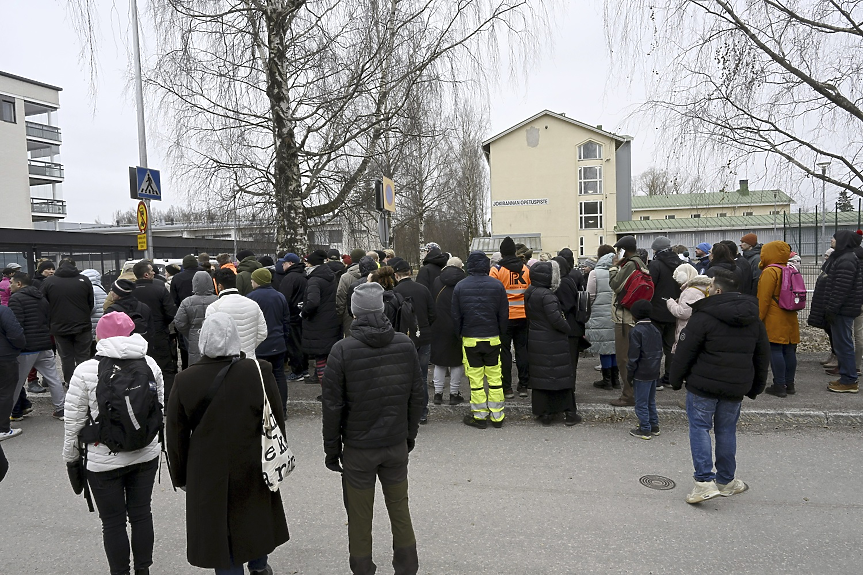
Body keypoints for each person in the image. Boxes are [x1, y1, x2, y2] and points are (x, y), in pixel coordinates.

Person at [166, 313, 288, 575]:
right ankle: (259, 566)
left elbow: (176, 434)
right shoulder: (259, 370)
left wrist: (180, 474)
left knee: (221, 532)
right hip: (254, 457)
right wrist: (277, 454)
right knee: (253, 514)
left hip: (206, 465)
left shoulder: (185, 379)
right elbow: (275, 416)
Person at [321, 281, 424, 575]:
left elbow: (332, 407)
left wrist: (332, 449)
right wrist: (409, 434)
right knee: (400, 509)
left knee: (359, 514)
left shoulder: (341, 350)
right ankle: (407, 567)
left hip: (358, 448)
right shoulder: (404, 345)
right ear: (381, 310)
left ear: (354, 312)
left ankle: (363, 568)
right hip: (394, 443)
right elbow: (417, 396)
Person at [63, 312, 165, 575]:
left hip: (102, 458)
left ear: (100, 336)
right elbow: (159, 408)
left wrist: (71, 459)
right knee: (142, 514)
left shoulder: (85, 370)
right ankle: (144, 569)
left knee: (113, 523)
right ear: (131, 333)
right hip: (145, 453)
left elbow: (73, 423)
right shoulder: (150, 364)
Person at [670, 269, 769, 504]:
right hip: (735, 386)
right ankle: (726, 480)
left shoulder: (703, 316)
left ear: (719, 290)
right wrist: (756, 387)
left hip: (703, 384)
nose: (708, 288)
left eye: (711, 285)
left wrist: (675, 379)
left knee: (700, 428)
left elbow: (685, 351)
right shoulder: (753, 318)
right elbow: (762, 356)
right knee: (726, 430)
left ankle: (704, 482)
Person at [452, 251, 509, 429]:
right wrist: (500, 333)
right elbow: (504, 315)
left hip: (470, 338)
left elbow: (456, 316)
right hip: (492, 337)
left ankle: (480, 416)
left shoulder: (460, 286)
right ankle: (497, 415)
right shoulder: (497, 285)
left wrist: (460, 334)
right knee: (494, 377)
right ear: (486, 266)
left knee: (475, 379)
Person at [808, 230, 863, 393]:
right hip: (842, 309)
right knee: (842, 343)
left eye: (834, 238)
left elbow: (841, 289)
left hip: (842, 310)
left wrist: (831, 309)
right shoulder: (844, 257)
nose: (832, 240)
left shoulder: (846, 260)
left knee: (844, 344)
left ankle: (849, 380)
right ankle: (847, 377)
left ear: (843, 241)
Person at [7, 273, 66, 421]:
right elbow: (47, 319)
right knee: (53, 379)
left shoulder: (16, 299)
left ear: (19, 284)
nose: (9, 286)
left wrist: (14, 346)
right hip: (45, 344)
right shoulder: (41, 298)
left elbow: (16, 325)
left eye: (12, 283)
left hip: (26, 348)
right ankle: (61, 409)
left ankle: (9, 413)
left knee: (16, 382)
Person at [524, 261, 575, 426]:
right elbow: (556, 319)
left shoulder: (530, 292)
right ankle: (568, 413)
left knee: (541, 376)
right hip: (552, 340)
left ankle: (544, 413)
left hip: (536, 338)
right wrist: (568, 328)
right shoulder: (548, 295)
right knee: (559, 375)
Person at [391, 257, 435, 424]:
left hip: (402, 339)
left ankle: (406, 411)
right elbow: (433, 314)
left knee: (402, 376)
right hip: (423, 337)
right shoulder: (423, 289)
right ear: (410, 273)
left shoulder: (395, 292)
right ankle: (422, 412)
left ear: (396, 275)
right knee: (422, 376)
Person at [41, 259, 95, 385]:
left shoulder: (48, 282)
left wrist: (51, 320)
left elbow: (43, 304)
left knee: (66, 357)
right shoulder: (85, 280)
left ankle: (70, 382)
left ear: (59, 267)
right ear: (75, 266)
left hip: (59, 326)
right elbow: (91, 303)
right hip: (82, 325)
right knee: (83, 356)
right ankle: (84, 383)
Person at [489, 236, 531, 399]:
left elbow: (492, 294)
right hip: (523, 315)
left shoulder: (497, 270)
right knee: (522, 350)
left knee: (504, 352)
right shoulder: (525, 269)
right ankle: (524, 385)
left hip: (504, 317)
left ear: (501, 253)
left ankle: (507, 388)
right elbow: (529, 291)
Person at [757, 241, 800, 398]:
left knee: (775, 349)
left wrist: (758, 319)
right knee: (789, 350)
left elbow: (764, 299)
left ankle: (779, 385)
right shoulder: (790, 268)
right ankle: (790, 384)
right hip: (790, 314)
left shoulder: (770, 271)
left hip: (775, 316)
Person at [608, 236, 647, 407]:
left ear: (623, 250)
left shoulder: (630, 264)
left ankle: (628, 395)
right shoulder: (641, 262)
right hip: (635, 315)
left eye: (619, 250)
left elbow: (615, 284)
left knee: (624, 358)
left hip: (625, 317)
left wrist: (614, 268)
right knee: (633, 356)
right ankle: (636, 392)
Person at [133, 260, 178, 400]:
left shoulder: (129, 292)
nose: (154, 272)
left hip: (135, 337)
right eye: (152, 270)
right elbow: (171, 313)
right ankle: (165, 401)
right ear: (146, 274)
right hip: (159, 335)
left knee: (139, 369)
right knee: (165, 369)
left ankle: (144, 401)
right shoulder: (160, 289)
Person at [246, 268, 290, 410]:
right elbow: (285, 321)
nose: (251, 282)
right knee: (279, 375)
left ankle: (264, 411)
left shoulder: (250, 298)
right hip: (278, 342)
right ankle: (282, 409)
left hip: (259, 344)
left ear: (257, 281)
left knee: (260, 378)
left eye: (252, 280)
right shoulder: (280, 296)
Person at [553, 251, 586, 424]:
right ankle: (569, 393)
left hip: (569, 329)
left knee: (569, 364)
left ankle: (569, 396)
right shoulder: (571, 280)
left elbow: (566, 306)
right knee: (570, 363)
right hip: (574, 327)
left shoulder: (563, 283)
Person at [206, 268, 267, 359]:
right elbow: (263, 333)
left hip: (226, 363)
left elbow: (210, 339)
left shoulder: (214, 308)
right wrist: (249, 348)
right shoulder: (253, 304)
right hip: (249, 360)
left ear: (219, 286)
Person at [429, 257, 466, 406]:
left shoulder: (437, 281)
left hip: (438, 325)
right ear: (460, 267)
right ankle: (454, 394)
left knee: (439, 361)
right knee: (457, 361)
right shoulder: (464, 282)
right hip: (458, 325)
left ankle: (437, 394)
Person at [301, 249, 341, 387]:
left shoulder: (314, 279)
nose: (305, 266)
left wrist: (304, 311)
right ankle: (333, 391)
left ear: (312, 265)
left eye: (307, 263)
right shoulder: (329, 276)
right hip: (330, 321)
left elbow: (313, 302)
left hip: (317, 323)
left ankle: (328, 392)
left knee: (320, 359)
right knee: (328, 357)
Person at [648, 236, 681, 390]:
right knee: (670, 347)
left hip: (656, 310)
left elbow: (650, 286)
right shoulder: (681, 264)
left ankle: (655, 379)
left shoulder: (656, 265)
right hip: (674, 309)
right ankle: (670, 377)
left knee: (654, 347)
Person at [626, 300, 663, 440]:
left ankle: (645, 428)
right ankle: (654, 425)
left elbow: (633, 356)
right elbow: (659, 352)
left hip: (641, 372)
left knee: (641, 402)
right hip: (654, 371)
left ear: (635, 315)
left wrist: (630, 373)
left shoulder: (635, 331)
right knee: (650, 401)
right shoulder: (655, 329)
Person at [587, 249, 618, 390]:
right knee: (614, 346)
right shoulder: (619, 272)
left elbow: (590, 295)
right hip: (616, 313)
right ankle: (616, 380)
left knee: (604, 346)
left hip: (599, 313)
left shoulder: (595, 273)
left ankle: (606, 380)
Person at [173, 271, 218, 365]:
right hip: (214, 335)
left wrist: (189, 332)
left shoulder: (187, 302)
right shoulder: (217, 300)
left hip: (194, 335)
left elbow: (179, 322)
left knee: (196, 362)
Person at [665, 263, 710, 356]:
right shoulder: (701, 288)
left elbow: (683, 313)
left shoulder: (690, 291)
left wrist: (670, 303)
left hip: (687, 330)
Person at [278, 253, 308, 380]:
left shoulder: (290, 278)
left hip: (292, 316)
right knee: (301, 343)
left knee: (294, 345)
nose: (282, 265)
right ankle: (304, 369)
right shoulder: (303, 275)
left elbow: (284, 298)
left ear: (290, 263)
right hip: (301, 314)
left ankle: (297, 371)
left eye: (284, 263)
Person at [0, 302, 25, 440]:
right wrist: (17, 348)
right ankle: (2, 429)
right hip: (4, 358)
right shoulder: (4, 311)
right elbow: (16, 334)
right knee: (5, 393)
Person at [337, 249, 368, 337]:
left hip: (349, 315)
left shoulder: (345, 277)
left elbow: (340, 297)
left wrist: (339, 316)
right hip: (369, 313)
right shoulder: (373, 274)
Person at [83, 269, 109, 357]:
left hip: (92, 323)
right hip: (100, 322)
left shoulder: (89, 289)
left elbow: (92, 308)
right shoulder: (101, 288)